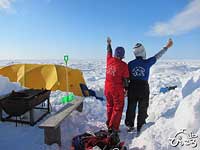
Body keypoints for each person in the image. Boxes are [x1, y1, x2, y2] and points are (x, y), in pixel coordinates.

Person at [125, 39, 173, 133]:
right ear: (143, 52)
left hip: (132, 87)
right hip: (143, 87)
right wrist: (166, 47)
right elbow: (158, 56)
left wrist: (126, 88)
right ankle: (141, 126)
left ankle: (129, 125)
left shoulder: (130, 64)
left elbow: (126, 77)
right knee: (143, 107)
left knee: (131, 106)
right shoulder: (147, 62)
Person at [105, 37, 129, 133]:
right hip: (116, 89)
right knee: (118, 107)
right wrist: (126, 90)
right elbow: (126, 79)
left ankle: (109, 123)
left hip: (107, 88)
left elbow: (108, 52)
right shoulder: (124, 65)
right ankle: (113, 127)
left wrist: (109, 44)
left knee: (110, 105)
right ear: (122, 55)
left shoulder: (109, 60)